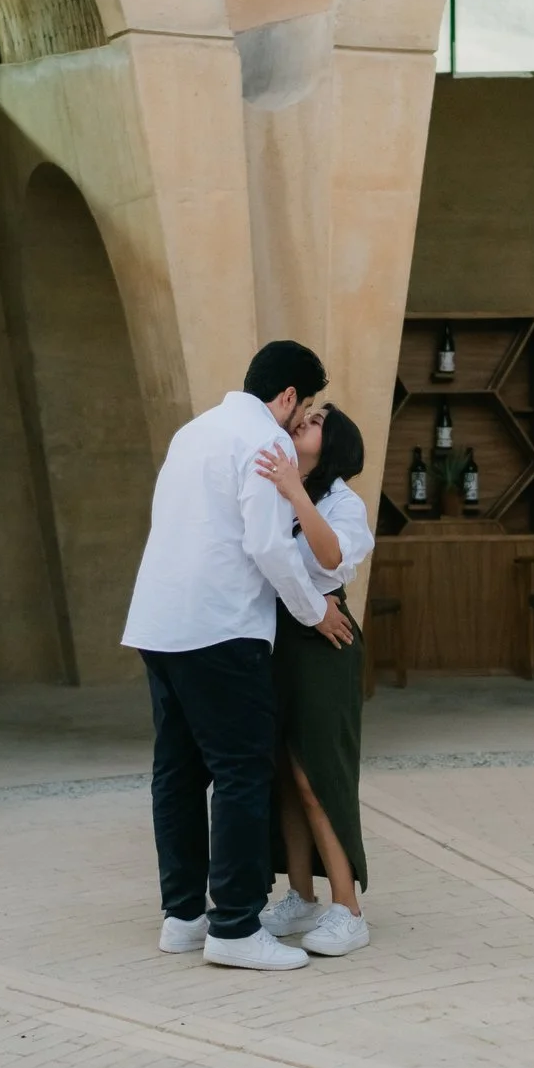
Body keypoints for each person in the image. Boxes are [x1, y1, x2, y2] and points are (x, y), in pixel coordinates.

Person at [123, 341, 356, 970]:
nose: (300, 418)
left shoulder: (192, 432)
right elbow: (269, 548)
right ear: (286, 397)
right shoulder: (266, 442)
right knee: (242, 772)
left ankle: (183, 918)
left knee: (175, 773)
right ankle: (233, 927)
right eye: (302, 406)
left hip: (158, 622)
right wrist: (314, 610)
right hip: (220, 628)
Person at [252, 403, 374, 956]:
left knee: (317, 774)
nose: (305, 419)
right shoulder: (275, 485)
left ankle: (347, 909)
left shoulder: (344, 503)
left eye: (320, 419)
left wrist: (296, 493)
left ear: (337, 441)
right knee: (283, 773)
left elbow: (331, 558)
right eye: (304, 414)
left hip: (324, 641)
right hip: (275, 640)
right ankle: (299, 896)